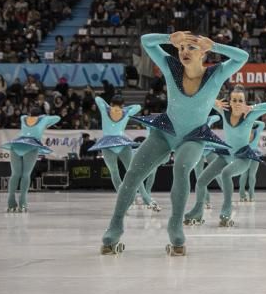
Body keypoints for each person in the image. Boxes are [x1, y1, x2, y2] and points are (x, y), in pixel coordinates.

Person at [99, 31, 248, 256]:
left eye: (191, 48)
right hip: (165, 131)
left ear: (203, 53)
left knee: (182, 167)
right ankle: (115, 225)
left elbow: (242, 56)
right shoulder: (171, 67)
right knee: (132, 174)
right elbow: (146, 41)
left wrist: (215, 45)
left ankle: (175, 225)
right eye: (181, 48)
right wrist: (169, 38)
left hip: (194, 136)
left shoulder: (216, 74)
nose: (184, 52)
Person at [183, 88, 266, 227]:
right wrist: (215, 102)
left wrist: (251, 107)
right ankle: (198, 212)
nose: (237, 103)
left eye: (240, 100)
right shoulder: (224, 112)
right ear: (230, 102)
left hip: (243, 157)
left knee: (226, 173)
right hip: (226, 154)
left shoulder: (249, 115)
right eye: (234, 100)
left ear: (244, 102)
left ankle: (226, 212)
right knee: (201, 182)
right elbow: (202, 98)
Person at [88, 95, 159, 210]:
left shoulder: (105, 109)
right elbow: (138, 106)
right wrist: (124, 108)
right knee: (133, 173)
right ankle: (146, 199)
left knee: (115, 173)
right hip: (122, 143)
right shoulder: (126, 111)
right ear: (122, 104)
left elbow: (97, 99)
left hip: (107, 144)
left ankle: (124, 200)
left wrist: (109, 106)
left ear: (111, 103)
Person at [1, 107, 60, 212]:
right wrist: (45, 119)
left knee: (15, 174)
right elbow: (57, 118)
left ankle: (10, 202)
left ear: (30, 113)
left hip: (17, 144)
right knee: (25, 174)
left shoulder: (23, 118)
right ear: (40, 115)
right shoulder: (44, 119)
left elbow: (25, 117)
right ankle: (23, 203)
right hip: (31, 145)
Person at [239, 119, 266, 202]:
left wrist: (250, 121)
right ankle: (250, 196)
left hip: (248, 153)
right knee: (250, 175)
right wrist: (253, 121)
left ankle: (243, 196)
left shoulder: (244, 130)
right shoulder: (255, 131)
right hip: (251, 154)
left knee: (246, 174)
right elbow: (262, 124)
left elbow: (262, 124)